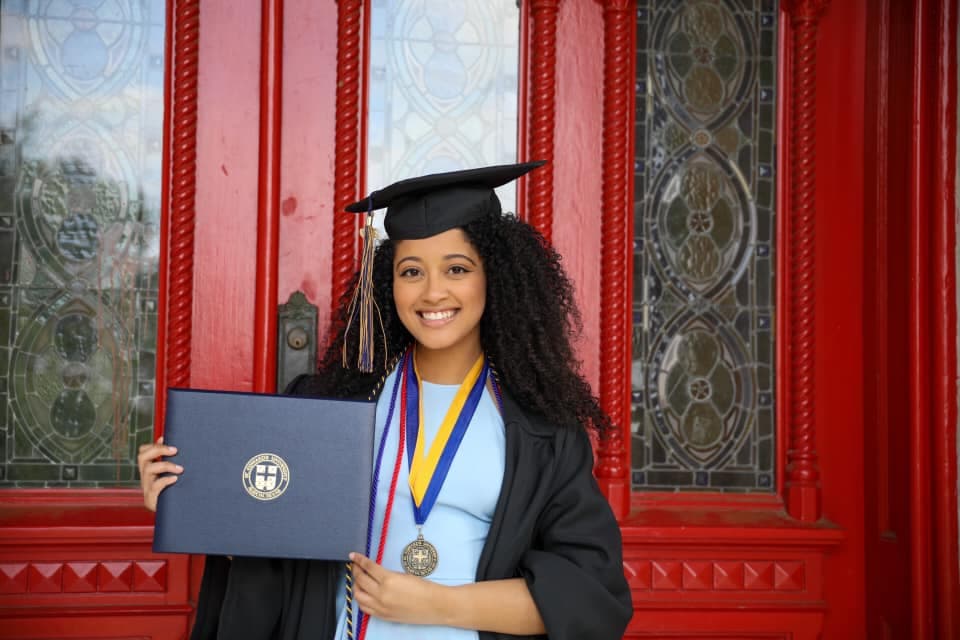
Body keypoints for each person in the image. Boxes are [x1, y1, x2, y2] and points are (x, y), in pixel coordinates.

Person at [138, 161, 633, 640]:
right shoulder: (332, 408)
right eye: (411, 271)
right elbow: (269, 548)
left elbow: (588, 591)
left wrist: (436, 602)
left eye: (457, 268)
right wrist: (192, 502)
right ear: (387, 284)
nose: (433, 292)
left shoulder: (540, 431)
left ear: (494, 278)